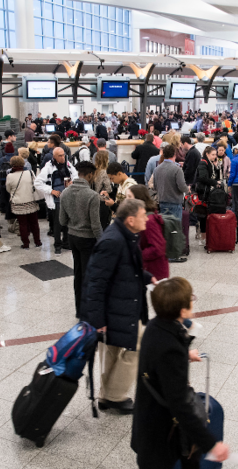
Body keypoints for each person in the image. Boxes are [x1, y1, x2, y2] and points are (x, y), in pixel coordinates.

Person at [119, 277, 228, 469]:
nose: (193, 301)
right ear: (181, 310)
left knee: (190, 454)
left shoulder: (158, 326)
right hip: (160, 425)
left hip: (160, 416)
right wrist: (213, 443)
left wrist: (184, 354)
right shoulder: (168, 345)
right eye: (191, 299)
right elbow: (180, 403)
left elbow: (159, 360)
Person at [82, 199, 156, 415]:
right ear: (130, 220)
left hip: (118, 306)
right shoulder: (113, 241)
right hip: (113, 310)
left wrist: (147, 277)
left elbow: (124, 269)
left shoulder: (125, 235)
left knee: (113, 351)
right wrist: (98, 320)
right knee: (139, 345)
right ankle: (115, 396)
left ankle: (106, 396)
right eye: (143, 215)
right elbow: (95, 283)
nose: (147, 219)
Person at [60, 161, 101, 318]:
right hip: (88, 240)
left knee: (78, 273)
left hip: (72, 238)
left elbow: (62, 221)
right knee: (89, 275)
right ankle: (89, 311)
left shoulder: (65, 193)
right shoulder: (92, 196)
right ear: (90, 175)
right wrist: (103, 242)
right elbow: (96, 226)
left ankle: (79, 310)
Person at [35, 147, 78, 255]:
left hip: (68, 197)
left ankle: (66, 243)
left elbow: (76, 176)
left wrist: (73, 182)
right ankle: (57, 245)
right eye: (60, 155)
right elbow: (37, 183)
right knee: (58, 224)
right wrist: (51, 191)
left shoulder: (68, 165)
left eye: (63, 155)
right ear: (54, 157)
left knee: (68, 222)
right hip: (56, 200)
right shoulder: (48, 167)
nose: (63, 157)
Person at [127, 185, 168, 280]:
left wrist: (137, 255)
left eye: (129, 197)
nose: (127, 201)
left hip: (155, 271)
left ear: (138, 199)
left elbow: (157, 248)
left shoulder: (149, 221)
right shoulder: (141, 217)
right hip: (148, 269)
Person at [5, 156, 42, 250]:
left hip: (18, 203)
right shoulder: (30, 173)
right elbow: (35, 185)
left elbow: (8, 189)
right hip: (31, 201)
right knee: (34, 223)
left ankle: (26, 243)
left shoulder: (10, 176)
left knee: (22, 224)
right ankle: (37, 241)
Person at [153, 145, 189, 221]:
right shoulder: (177, 169)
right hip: (175, 203)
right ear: (174, 155)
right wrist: (187, 189)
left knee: (166, 228)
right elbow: (182, 187)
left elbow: (155, 187)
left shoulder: (157, 169)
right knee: (175, 229)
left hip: (162, 203)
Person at [194, 147, 222, 244]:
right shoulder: (203, 163)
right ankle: (202, 236)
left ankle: (205, 234)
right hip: (203, 192)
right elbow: (203, 178)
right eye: (213, 154)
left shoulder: (210, 163)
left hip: (209, 191)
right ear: (207, 154)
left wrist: (216, 166)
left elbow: (215, 175)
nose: (215, 157)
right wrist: (214, 182)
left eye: (216, 155)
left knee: (206, 213)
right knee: (203, 214)